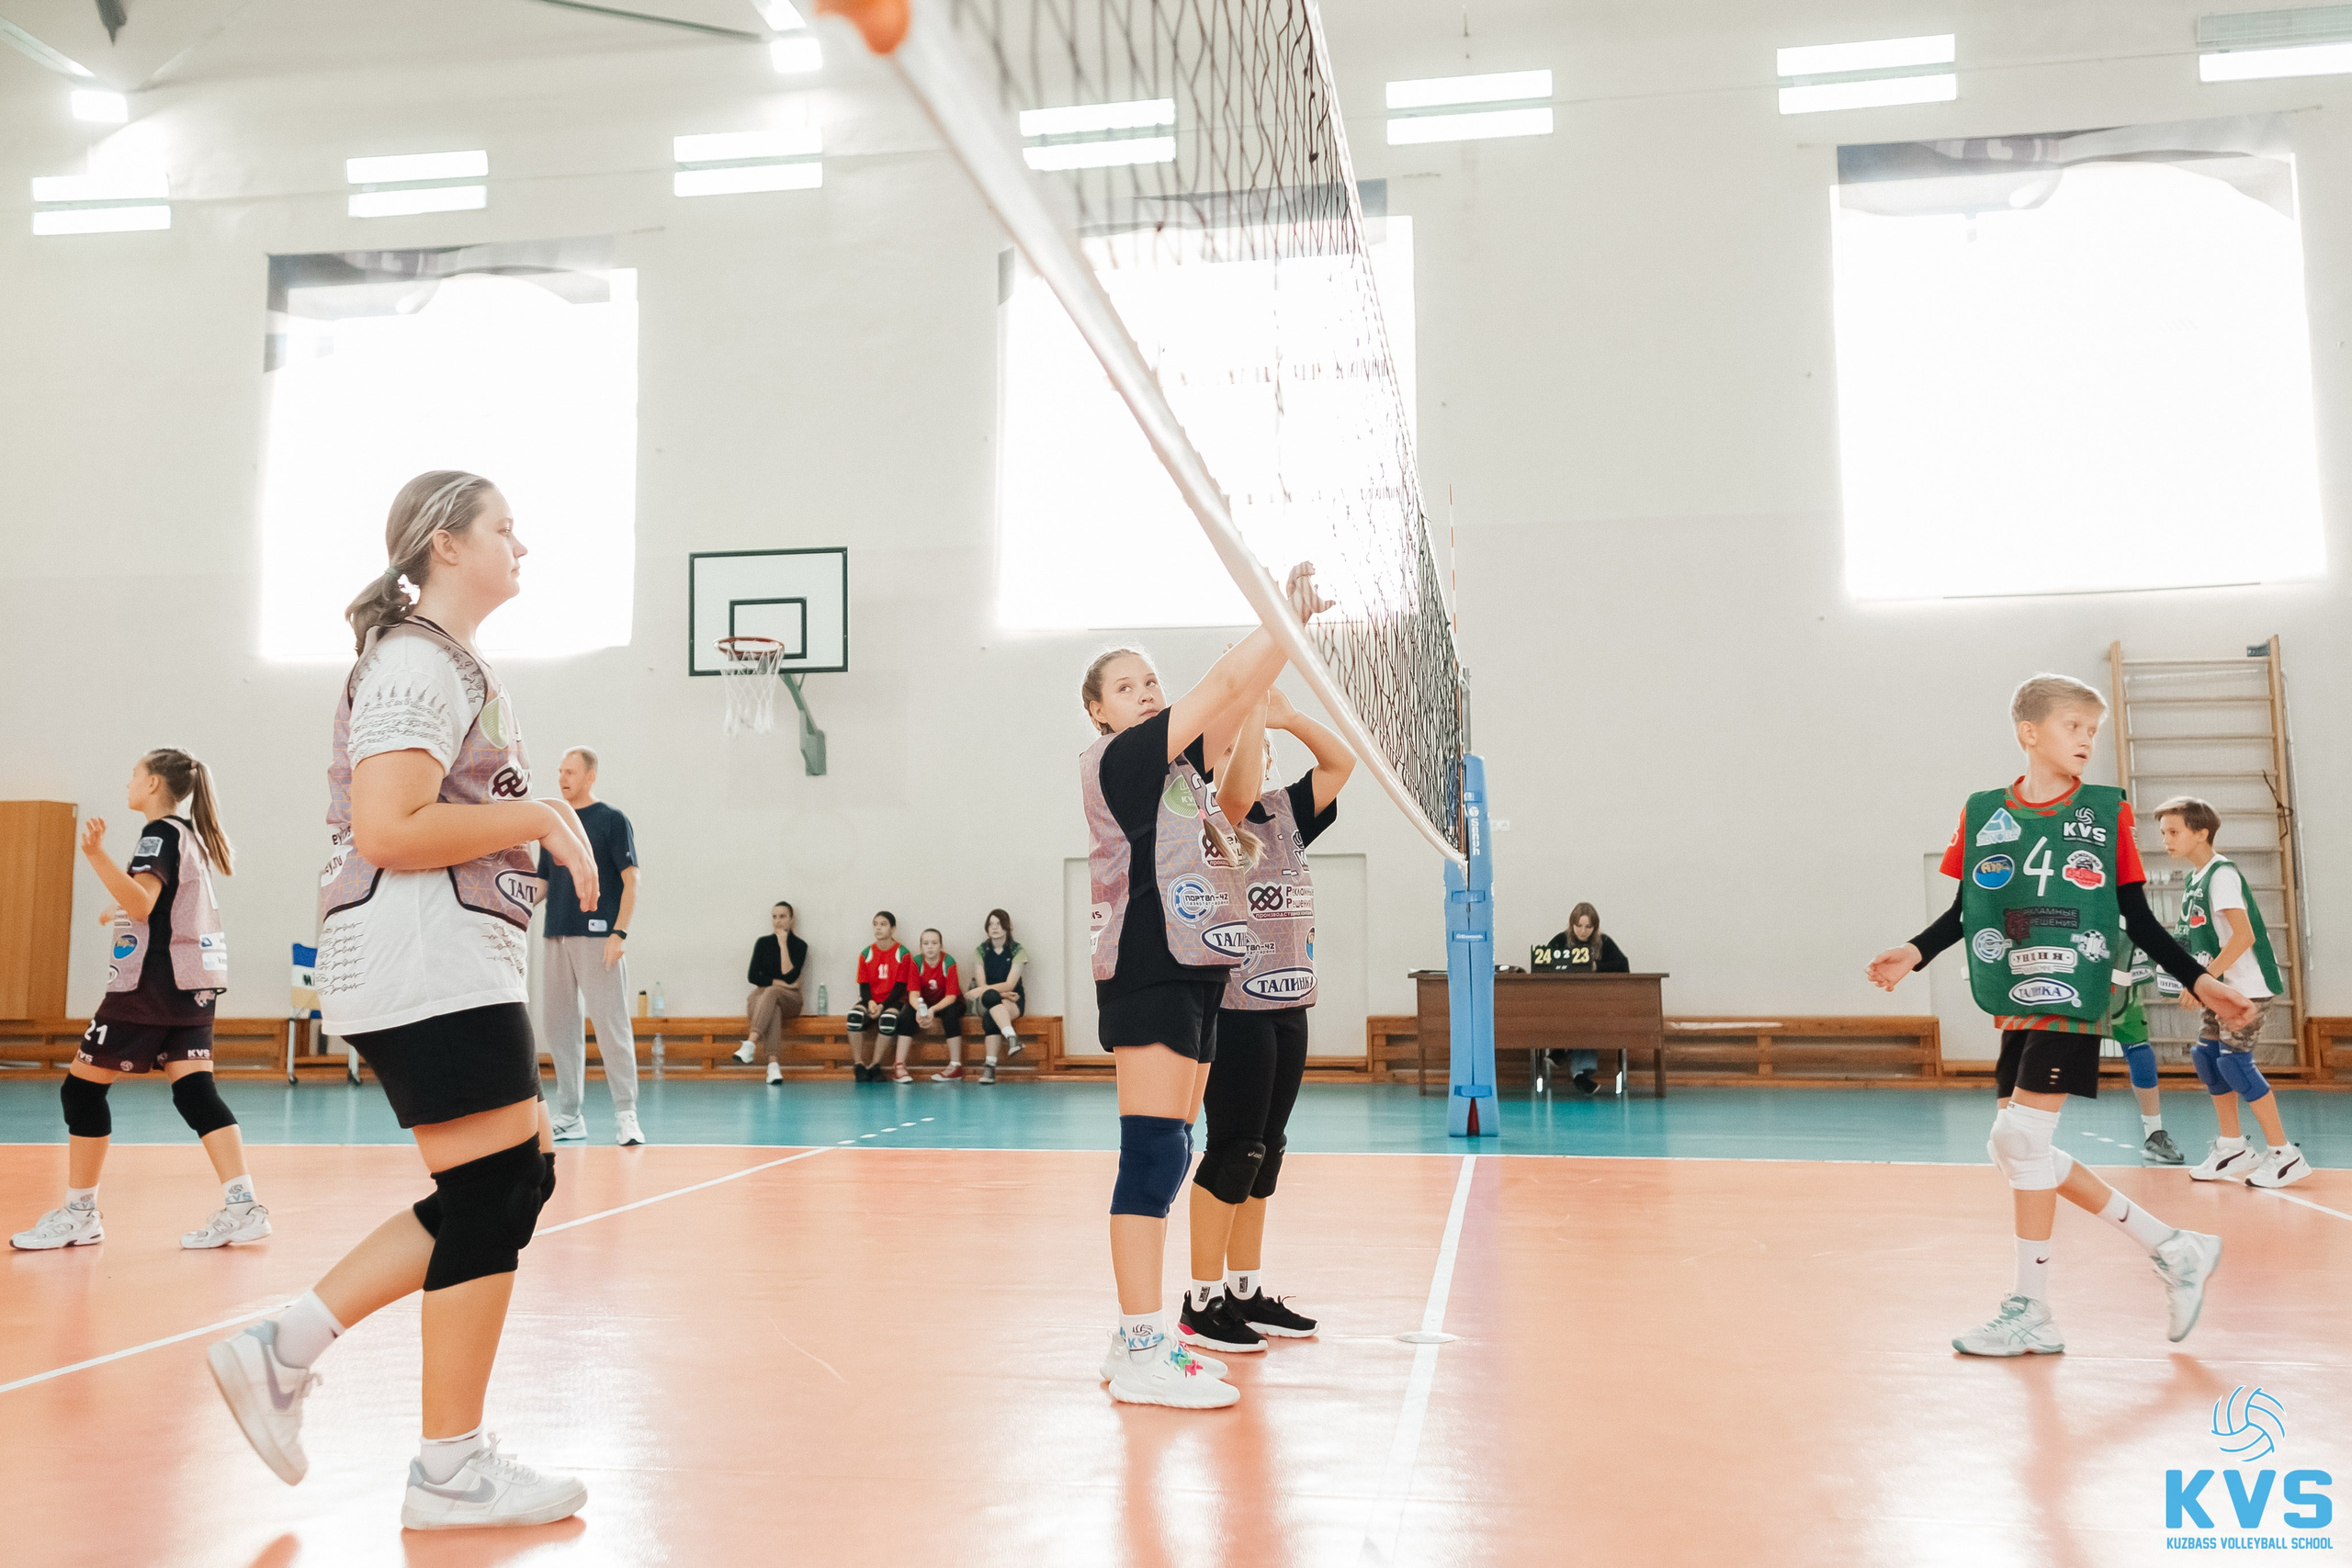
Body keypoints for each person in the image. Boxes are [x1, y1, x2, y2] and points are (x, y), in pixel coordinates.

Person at [206, 470, 596, 1529]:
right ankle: (441, 1464)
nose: (524, 543)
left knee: (513, 1183)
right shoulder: (418, 661)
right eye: (505, 528)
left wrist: (532, 824)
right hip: (420, 959)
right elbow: (389, 826)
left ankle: (293, 1357)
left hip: (443, 959)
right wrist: (545, 816)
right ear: (445, 545)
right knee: (498, 1191)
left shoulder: (444, 660)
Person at [1866, 672, 2256, 1359]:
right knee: (2014, 1147)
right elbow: (1968, 911)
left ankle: (2034, 1308)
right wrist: (1915, 950)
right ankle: (2174, 1247)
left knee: (2021, 1141)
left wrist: (2199, 979)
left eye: (2093, 731)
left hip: (2075, 994)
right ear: (2030, 732)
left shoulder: (2106, 816)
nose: (2086, 740)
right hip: (2019, 996)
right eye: (2075, 727)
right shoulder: (1985, 810)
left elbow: (2136, 915)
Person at [1081, 559, 1329, 1411]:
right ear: (1098, 709)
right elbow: (1225, 680)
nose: (1145, 690)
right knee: (1151, 1155)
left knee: (1176, 1152)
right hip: (1148, 970)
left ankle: (1135, 1339)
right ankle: (1147, 1343)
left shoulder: (1183, 773)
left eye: (1151, 680)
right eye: (1127, 683)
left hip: (1197, 972)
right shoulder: (1123, 758)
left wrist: (1272, 660)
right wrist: (1280, 614)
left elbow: (1237, 719)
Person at [10, 750, 261, 1253]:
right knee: (195, 1094)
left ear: (151, 784)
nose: (127, 783)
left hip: (150, 988)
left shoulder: (160, 832)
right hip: (193, 985)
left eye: (132, 776)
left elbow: (143, 902)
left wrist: (97, 856)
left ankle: (80, 1213)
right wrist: (115, 911)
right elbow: (158, 906)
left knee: (80, 1093)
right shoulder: (191, 835)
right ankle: (244, 1208)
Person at [1181, 685, 1352, 1357]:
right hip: (1236, 1008)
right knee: (1232, 1149)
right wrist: (1250, 709)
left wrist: (1285, 715)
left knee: (1265, 1152)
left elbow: (1341, 764)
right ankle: (1201, 1302)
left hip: (1290, 1004)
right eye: (1244, 746)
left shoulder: (1286, 814)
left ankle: (1245, 1289)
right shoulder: (1212, 816)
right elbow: (1239, 783)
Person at [2157, 796, 2313, 1188]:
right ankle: (2232, 1147)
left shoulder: (2221, 874)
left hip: (2247, 988)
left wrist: (2203, 979)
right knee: (2207, 1058)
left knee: (2234, 1064)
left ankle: (2284, 1154)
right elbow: (2189, 936)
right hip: (2221, 987)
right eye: (2163, 833)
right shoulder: (2195, 877)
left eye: (2174, 832)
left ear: (2201, 832)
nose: (2166, 840)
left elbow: (2243, 936)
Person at [537, 746, 644, 1146]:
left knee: (611, 1026)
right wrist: (501, 901)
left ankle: (626, 1115)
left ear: (590, 776)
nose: (562, 778)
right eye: (559, 771)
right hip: (556, 936)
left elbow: (632, 880)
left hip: (599, 937)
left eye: (570, 772)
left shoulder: (612, 820)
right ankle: (569, 1115)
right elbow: (544, 884)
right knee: (560, 1028)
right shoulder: (552, 826)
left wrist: (619, 933)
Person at [2104, 927, 2183, 1165]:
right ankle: (2028, 1126)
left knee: (2137, 1046)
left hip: (2117, 955)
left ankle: (2154, 1133)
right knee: (2052, 1045)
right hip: (2077, 956)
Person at [1539, 902, 1630, 1093]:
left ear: (1595, 927)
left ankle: (1565, 1052)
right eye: (1579, 926)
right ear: (1571, 925)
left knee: (1588, 1018)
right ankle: (1578, 1071)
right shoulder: (1559, 941)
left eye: (1588, 927)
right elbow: (1543, 965)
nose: (1583, 931)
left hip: (1595, 1006)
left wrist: (1598, 967)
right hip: (1562, 1004)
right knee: (1580, 1018)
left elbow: (1623, 965)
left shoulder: (1604, 942)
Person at [735, 901, 808, 1085]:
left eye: (782, 916)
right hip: (763, 998)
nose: (777, 921)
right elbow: (753, 976)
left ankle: (750, 1043)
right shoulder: (763, 943)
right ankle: (773, 1067)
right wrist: (778, 983)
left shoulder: (800, 946)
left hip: (791, 1000)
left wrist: (783, 945)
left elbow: (790, 977)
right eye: (774, 917)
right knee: (773, 1006)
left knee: (773, 992)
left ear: (791, 920)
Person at [848, 911, 914, 1083]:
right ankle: (859, 1065)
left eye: (883, 924)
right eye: (875, 924)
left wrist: (882, 1006)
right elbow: (863, 985)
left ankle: (875, 1065)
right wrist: (870, 1002)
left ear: (892, 929)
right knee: (853, 1017)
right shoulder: (866, 953)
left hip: (893, 1000)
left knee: (888, 1018)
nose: (878, 928)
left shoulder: (902, 953)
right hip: (872, 999)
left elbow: (900, 987)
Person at [965, 909, 1028, 1084]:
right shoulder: (981, 951)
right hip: (988, 999)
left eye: (999, 924)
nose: (995, 928)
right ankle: (1011, 1038)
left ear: (1007, 927)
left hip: (1013, 999)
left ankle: (989, 1068)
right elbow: (982, 984)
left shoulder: (1017, 950)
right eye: (991, 924)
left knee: (991, 1017)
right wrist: (999, 993)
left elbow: (1010, 984)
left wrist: (994, 992)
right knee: (990, 998)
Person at [904, 929, 967, 1082]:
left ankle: (955, 1065)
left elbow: (951, 996)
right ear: (921, 947)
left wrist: (932, 1010)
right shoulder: (916, 962)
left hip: (948, 1003)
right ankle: (900, 1065)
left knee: (950, 1012)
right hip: (925, 1004)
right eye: (926, 943)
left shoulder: (948, 962)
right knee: (906, 1013)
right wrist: (920, 1010)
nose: (930, 947)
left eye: (934, 943)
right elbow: (913, 994)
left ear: (940, 945)